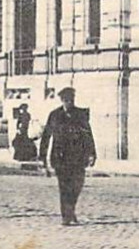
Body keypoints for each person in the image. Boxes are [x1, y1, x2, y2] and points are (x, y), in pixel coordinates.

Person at [39, 87, 97, 226]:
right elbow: (46, 136)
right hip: (60, 157)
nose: (69, 102)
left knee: (77, 185)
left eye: (71, 100)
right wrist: (42, 157)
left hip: (78, 157)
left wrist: (92, 153)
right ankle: (66, 216)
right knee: (64, 187)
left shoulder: (80, 114)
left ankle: (71, 210)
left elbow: (88, 134)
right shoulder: (54, 115)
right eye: (66, 100)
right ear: (62, 100)